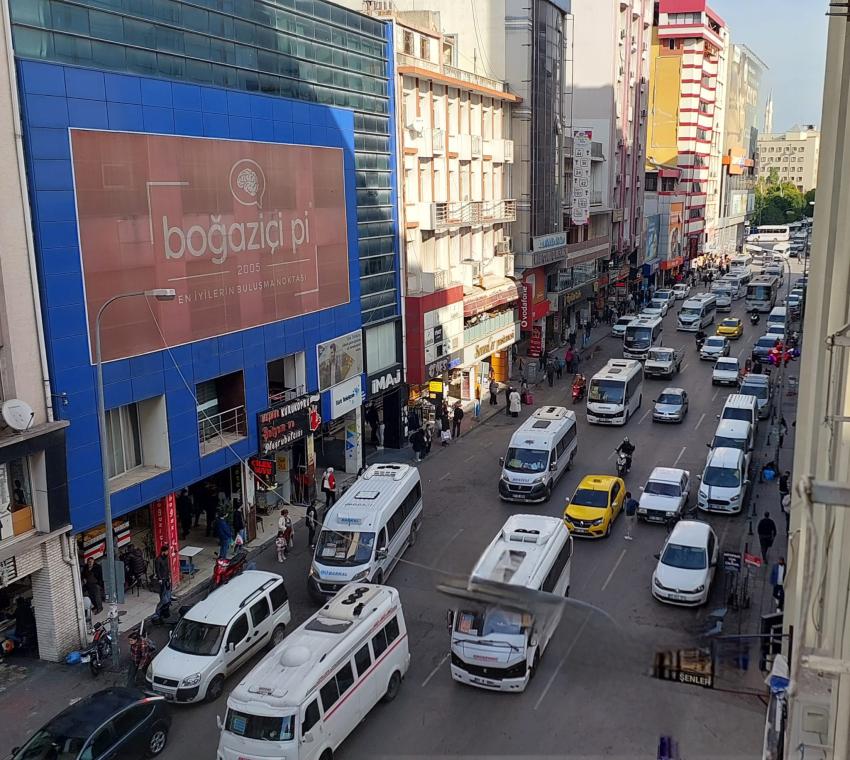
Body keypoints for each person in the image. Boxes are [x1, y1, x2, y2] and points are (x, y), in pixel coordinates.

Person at [153, 545, 172, 621]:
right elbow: (157, 570)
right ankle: (157, 613)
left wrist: (169, 576)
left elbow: (167, 568)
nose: (168, 553)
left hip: (167, 578)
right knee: (164, 599)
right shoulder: (158, 560)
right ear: (163, 551)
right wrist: (160, 579)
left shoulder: (166, 558)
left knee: (168, 596)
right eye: (167, 551)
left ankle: (165, 612)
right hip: (162, 580)